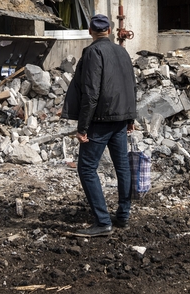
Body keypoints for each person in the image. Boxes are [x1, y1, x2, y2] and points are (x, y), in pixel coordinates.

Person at [62, 14, 137, 237]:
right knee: (122, 166)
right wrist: (130, 118)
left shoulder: (93, 52)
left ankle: (103, 222)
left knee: (86, 169)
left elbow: (91, 92)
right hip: (121, 119)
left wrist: (82, 127)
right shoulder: (122, 51)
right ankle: (123, 215)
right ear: (110, 30)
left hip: (101, 120)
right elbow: (131, 85)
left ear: (89, 31)